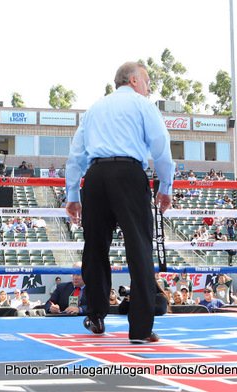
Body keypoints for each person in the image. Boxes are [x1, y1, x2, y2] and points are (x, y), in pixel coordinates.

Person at [65, 61, 174, 344]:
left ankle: (96, 314)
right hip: (128, 173)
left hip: (96, 175)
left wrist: (73, 194)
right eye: (147, 81)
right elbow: (161, 146)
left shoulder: (94, 109)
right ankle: (139, 328)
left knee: (95, 247)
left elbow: (76, 154)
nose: (149, 87)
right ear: (134, 80)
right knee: (138, 247)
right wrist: (166, 186)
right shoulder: (142, 105)